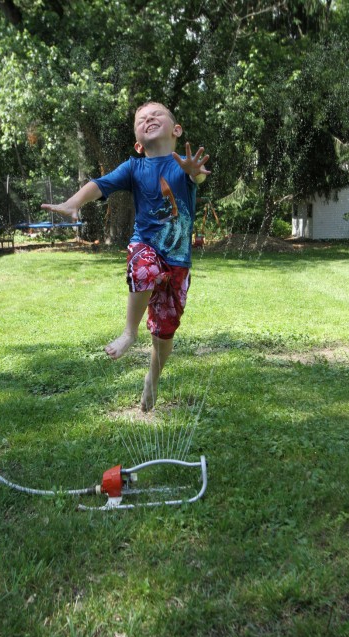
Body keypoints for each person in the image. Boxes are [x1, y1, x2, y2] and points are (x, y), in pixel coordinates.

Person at [41, 101, 210, 410]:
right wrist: (73, 202)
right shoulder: (134, 167)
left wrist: (195, 173)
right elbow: (99, 184)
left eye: (156, 115)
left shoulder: (182, 164)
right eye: (141, 119)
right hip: (144, 244)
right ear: (137, 142)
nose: (148, 119)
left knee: (165, 329)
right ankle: (129, 333)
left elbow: (197, 176)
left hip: (178, 260)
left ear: (176, 130)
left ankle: (153, 379)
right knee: (144, 270)